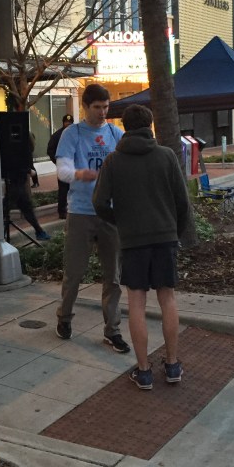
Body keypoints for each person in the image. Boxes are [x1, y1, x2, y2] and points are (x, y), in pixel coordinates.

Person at [92, 104, 188, 389]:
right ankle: (172, 364)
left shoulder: (113, 161)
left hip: (133, 240)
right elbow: (182, 202)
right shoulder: (166, 156)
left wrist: (120, 221)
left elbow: (99, 202)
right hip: (165, 236)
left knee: (136, 302)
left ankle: (144, 370)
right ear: (150, 125)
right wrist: (175, 231)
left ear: (125, 126)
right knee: (167, 298)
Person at [54, 83, 127, 352]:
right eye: (97, 107)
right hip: (81, 212)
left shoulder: (116, 134)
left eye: (106, 107)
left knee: (113, 276)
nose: (103, 112)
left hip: (109, 213)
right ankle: (64, 317)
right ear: (85, 107)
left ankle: (113, 330)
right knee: (74, 272)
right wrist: (78, 174)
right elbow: (62, 169)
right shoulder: (71, 134)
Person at [47, 114, 74, 219]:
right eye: (66, 122)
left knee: (74, 188)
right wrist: (58, 162)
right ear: (63, 123)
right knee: (63, 189)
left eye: (70, 122)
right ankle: (62, 211)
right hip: (63, 167)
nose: (68, 124)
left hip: (75, 167)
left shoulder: (75, 134)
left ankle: (72, 209)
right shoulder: (57, 135)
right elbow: (50, 150)